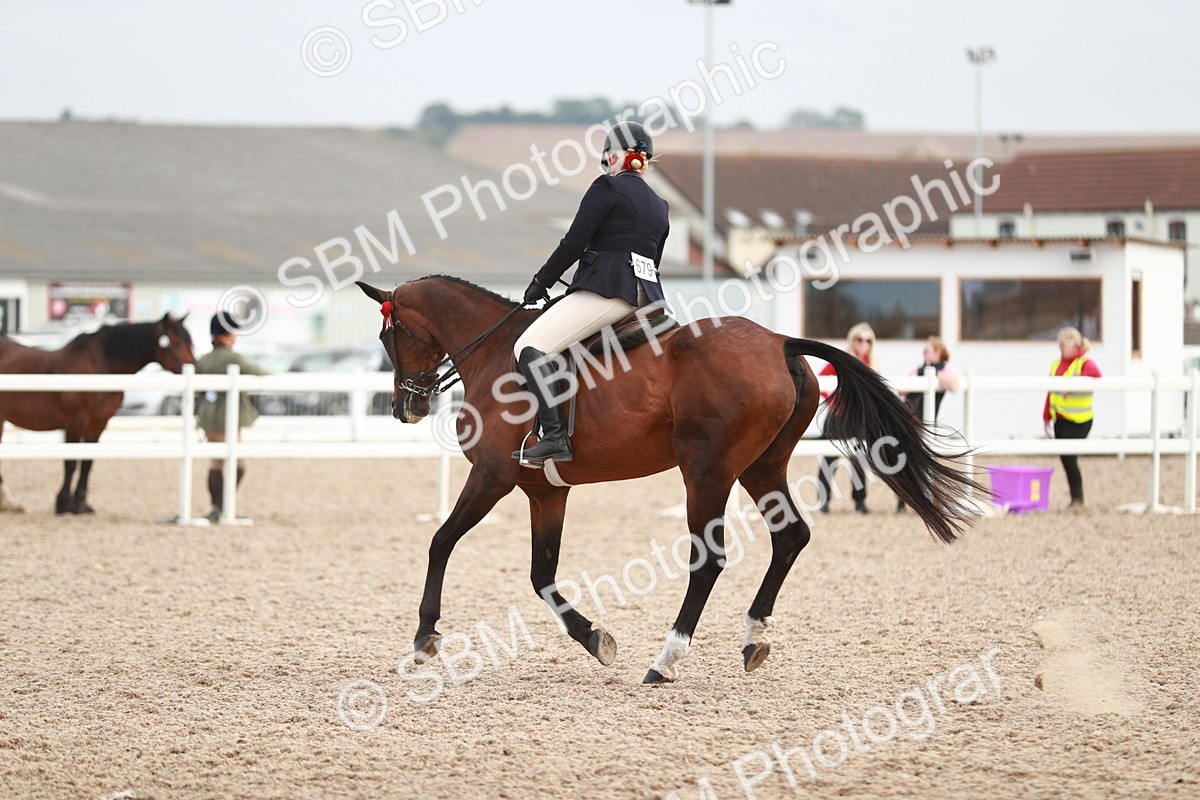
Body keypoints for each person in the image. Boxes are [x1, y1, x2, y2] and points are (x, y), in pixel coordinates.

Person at [511, 120, 670, 467]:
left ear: (614, 157)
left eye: (606, 159)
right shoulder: (661, 206)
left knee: (529, 347)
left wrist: (542, 281)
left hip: (610, 294)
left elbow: (574, 242)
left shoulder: (606, 188)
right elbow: (653, 260)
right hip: (650, 300)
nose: (606, 164)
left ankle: (554, 437)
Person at [195, 311, 270, 522]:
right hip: (227, 417)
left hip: (207, 417)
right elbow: (261, 373)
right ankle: (222, 505)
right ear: (224, 334)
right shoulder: (233, 358)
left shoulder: (203, 360)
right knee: (239, 465)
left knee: (216, 464)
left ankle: (215, 506)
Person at [816, 322, 877, 514]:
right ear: (853, 340)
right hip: (837, 417)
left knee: (859, 460)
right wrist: (834, 401)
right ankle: (823, 501)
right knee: (829, 459)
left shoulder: (871, 364)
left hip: (858, 420)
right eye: (860, 339)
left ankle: (860, 502)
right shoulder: (841, 359)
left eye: (868, 340)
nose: (864, 343)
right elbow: (819, 380)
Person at [896, 336, 960, 511]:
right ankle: (903, 500)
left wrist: (937, 376)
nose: (925, 354)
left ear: (938, 352)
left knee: (920, 460)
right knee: (903, 459)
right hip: (908, 418)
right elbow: (902, 389)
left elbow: (953, 385)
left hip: (925, 422)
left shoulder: (948, 369)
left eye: (928, 350)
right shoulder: (917, 369)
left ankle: (923, 498)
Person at [1043, 326, 1101, 509]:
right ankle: (1075, 498)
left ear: (1075, 345)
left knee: (1069, 456)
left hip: (1079, 420)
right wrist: (1046, 416)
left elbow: (1096, 375)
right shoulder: (1055, 364)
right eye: (1059, 343)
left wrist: (1073, 386)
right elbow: (1050, 392)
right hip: (1060, 417)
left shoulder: (1084, 362)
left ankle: (1078, 498)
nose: (1061, 346)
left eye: (1065, 343)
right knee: (1065, 456)